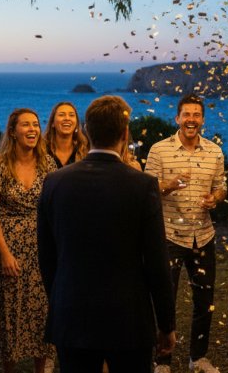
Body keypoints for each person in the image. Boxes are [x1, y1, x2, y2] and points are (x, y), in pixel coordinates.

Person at [38, 96, 176, 373]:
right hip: (128, 318)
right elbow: (157, 262)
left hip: (72, 312)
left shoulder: (54, 182)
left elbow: (47, 255)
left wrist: (61, 299)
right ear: (125, 133)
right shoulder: (142, 185)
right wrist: (166, 324)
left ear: (86, 130)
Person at [145, 94, 226, 373]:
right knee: (164, 300)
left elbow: (222, 187)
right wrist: (168, 185)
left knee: (205, 302)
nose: (191, 119)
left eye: (196, 115)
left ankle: (198, 358)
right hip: (169, 236)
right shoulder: (159, 150)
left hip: (203, 235)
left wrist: (215, 198)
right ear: (177, 118)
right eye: (186, 114)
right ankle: (162, 361)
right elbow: (148, 190)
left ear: (202, 119)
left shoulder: (214, 151)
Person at [0, 108, 58, 372]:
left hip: (42, 247)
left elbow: (54, 209)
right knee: (10, 314)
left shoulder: (49, 164)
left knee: (41, 314)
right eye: (26, 125)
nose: (33, 129)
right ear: (12, 131)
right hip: (7, 246)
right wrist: (4, 253)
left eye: (36, 124)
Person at [46, 101, 89, 167]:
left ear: (76, 123)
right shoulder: (42, 151)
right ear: (52, 123)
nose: (67, 118)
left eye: (71, 115)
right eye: (61, 115)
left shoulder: (85, 151)